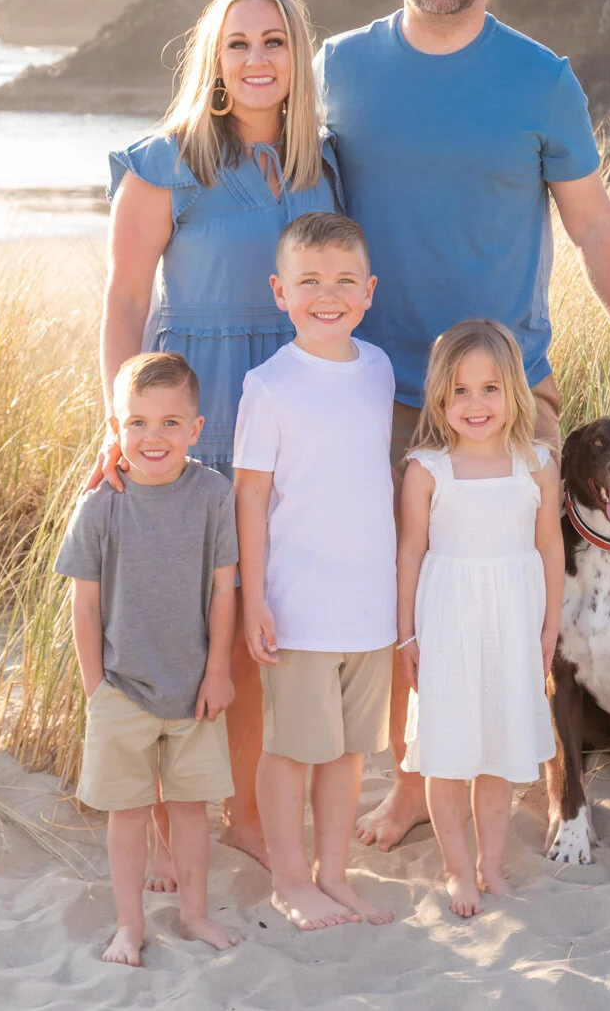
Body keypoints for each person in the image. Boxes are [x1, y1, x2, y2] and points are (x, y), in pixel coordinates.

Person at [316, 0, 610, 850]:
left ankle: (548, 771)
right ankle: (412, 783)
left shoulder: (540, 78)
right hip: (378, 387)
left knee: (527, 585)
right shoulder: (338, 67)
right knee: (406, 591)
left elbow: (592, 224)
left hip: (512, 392)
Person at [98, 0, 339, 872]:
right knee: (183, 617)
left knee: (258, 619)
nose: (257, 59)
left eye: (274, 41)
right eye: (238, 43)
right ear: (214, 58)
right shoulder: (165, 164)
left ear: (297, 55)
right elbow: (124, 301)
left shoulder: (325, 165)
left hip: (293, 413)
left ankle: (241, 812)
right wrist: (120, 422)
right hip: (195, 413)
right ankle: (166, 811)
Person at [232, 211, 397, 931]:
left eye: (343, 281)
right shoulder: (268, 385)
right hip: (298, 605)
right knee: (291, 749)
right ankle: (290, 880)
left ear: (368, 291)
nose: (327, 296)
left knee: (348, 752)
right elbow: (250, 496)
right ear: (280, 291)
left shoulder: (379, 369)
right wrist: (254, 602)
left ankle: (334, 873)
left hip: (369, 605)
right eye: (308, 282)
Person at [54, 352, 241, 967]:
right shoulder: (99, 506)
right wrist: (96, 688)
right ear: (116, 426)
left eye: (169, 423)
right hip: (121, 689)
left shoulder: (213, 496)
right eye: (137, 422)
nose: (152, 437)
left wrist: (218, 671)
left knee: (190, 809)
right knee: (128, 814)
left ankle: (194, 913)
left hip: (194, 688)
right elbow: (85, 606)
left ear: (196, 428)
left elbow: (223, 591)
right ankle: (129, 926)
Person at [396, 319, 565, 918]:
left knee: (498, 752)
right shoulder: (427, 469)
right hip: (447, 629)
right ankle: (455, 869)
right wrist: (406, 635)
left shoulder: (537, 464)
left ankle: (490, 863)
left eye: (490, 389)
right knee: (448, 754)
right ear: (440, 397)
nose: (476, 404)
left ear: (513, 391)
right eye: (460, 391)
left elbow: (550, 548)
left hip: (513, 629)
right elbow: (410, 553)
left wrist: (549, 628)